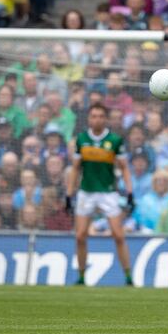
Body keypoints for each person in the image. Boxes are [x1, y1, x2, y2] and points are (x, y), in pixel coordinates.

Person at [66, 103, 135, 286]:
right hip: (86, 192)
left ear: (105, 119)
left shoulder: (114, 140)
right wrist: (69, 193)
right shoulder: (81, 140)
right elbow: (75, 169)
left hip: (108, 192)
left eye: (100, 116)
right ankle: (81, 277)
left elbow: (125, 168)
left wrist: (129, 192)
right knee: (80, 236)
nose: (96, 119)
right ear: (89, 119)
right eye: (93, 116)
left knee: (119, 235)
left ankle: (128, 277)